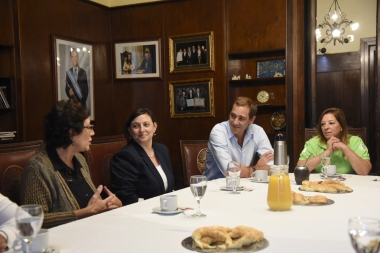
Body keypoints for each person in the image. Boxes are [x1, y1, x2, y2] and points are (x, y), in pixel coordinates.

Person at [20, 100, 122, 228]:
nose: (92, 133)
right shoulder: (37, 168)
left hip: (90, 232)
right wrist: (84, 213)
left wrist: (109, 204)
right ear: (72, 133)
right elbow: (33, 220)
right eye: (89, 127)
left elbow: (92, 206)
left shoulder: (79, 159)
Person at [110, 108, 174, 205]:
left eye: (146, 124)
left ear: (154, 127)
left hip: (167, 210)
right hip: (142, 213)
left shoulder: (162, 150)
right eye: (136, 126)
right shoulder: (125, 156)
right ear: (129, 130)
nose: (142, 130)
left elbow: (169, 188)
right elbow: (126, 197)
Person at [203, 97, 274, 180]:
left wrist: (248, 171)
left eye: (241, 118)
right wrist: (255, 169)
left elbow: (273, 165)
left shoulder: (258, 131)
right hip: (216, 187)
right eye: (233, 116)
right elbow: (229, 171)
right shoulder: (218, 131)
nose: (235, 122)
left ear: (251, 120)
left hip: (243, 186)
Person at [297, 108, 371, 175]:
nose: (326, 127)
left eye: (331, 123)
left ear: (341, 127)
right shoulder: (312, 142)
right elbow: (300, 168)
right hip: (321, 184)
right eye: (323, 124)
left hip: (350, 185)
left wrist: (344, 148)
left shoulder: (355, 141)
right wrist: (327, 152)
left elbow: (364, 171)